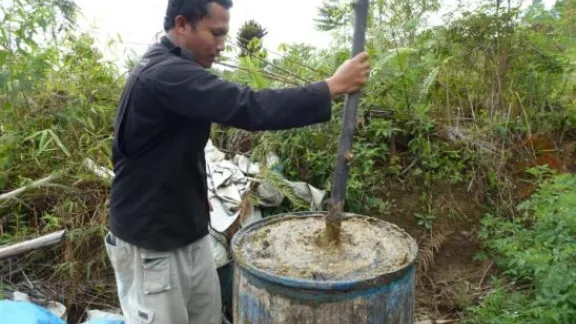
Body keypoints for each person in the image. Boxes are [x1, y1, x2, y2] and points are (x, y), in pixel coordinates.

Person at [103, 0, 370, 323]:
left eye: (224, 35)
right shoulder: (166, 75)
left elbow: (165, 148)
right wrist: (331, 87)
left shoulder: (176, 68)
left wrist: (192, 198)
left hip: (189, 230)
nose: (221, 46)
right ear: (182, 24)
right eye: (215, 33)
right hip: (152, 245)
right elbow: (250, 107)